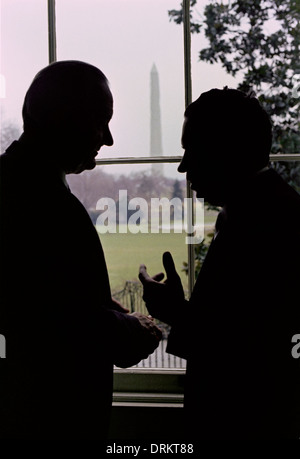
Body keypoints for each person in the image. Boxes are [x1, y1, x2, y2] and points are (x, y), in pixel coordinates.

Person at [0, 60, 162, 439]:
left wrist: (104, 311)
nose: (107, 138)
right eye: (99, 120)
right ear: (62, 119)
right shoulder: (38, 199)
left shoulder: (19, 182)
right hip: (47, 418)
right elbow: (53, 323)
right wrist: (131, 328)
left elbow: (51, 296)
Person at [139, 87, 300, 439]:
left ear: (227, 149)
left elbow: (249, 349)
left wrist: (176, 312)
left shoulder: (271, 221)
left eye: (191, 149)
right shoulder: (263, 210)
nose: (183, 165)